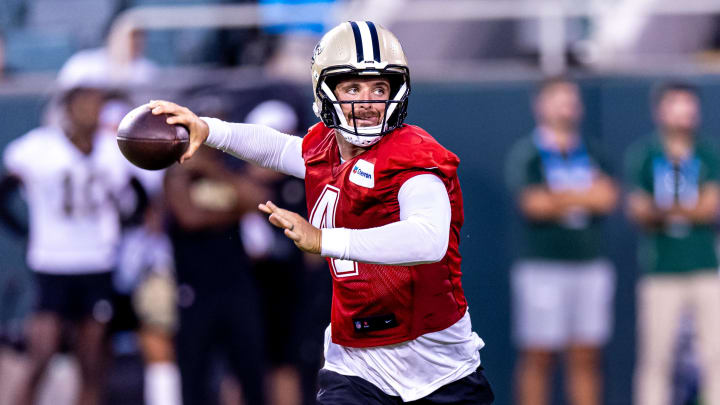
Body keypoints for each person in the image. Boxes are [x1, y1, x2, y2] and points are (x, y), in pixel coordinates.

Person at [149, 20, 494, 404]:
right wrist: (208, 128)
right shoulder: (324, 148)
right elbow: (278, 148)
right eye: (353, 88)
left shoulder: (413, 156)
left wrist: (324, 239)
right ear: (325, 90)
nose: (367, 101)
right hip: (356, 360)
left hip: (435, 363)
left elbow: (427, 240)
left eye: (380, 88)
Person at [0, 60, 143, 405]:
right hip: (53, 262)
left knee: (93, 360)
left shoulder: (113, 150)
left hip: (96, 261)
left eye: (98, 100)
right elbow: (4, 194)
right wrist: (28, 232)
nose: (93, 109)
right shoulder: (37, 150)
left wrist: (117, 230)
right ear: (67, 104)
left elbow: (137, 199)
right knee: (42, 353)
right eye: (86, 100)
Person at [505, 76, 618, 405]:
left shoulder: (595, 151)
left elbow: (608, 199)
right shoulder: (528, 154)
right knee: (539, 354)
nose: (566, 106)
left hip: (590, 265)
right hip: (543, 268)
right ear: (540, 105)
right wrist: (584, 194)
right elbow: (533, 205)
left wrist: (557, 197)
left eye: (571, 99)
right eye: (558, 99)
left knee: (586, 354)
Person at [625, 81, 720, 405]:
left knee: (715, 357)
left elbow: (709, 207)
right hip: (661, 269)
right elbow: (638, 210)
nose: (683, 114)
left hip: (706, 266)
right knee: (656, 358)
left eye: (688, 106)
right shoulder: (644, 155)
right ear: (660, 111)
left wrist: (660, 209)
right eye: (675, 105)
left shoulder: (709, 152)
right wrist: (683, 210)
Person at [164, 142, 269, 405]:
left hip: (237, 285)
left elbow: (259, 201)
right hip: (195, 289)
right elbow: (189, 218)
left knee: (251, 369)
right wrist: (234, 213)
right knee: (195, 372)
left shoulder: (227, 171)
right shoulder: (177, 174)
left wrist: (214, 170)